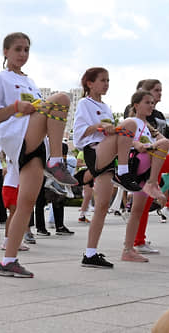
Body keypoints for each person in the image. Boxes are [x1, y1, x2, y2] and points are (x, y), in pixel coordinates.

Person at [0, 32, 71, 278]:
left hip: (34, 142)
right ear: (6, 52)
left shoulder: (30, 81)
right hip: (16, 134)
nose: (23, 54)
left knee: (27, 203)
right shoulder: (0, 78)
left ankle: (8, 260)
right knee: (62, 98)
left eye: (26, 50)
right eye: (18, 49)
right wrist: (15, 107)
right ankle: (56, 161)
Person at [72, 67, 136, 268]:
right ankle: (124, 173)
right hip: (94, 150)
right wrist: (101, 127)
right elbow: (79, 132)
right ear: (89, 83)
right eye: (102, 80)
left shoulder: (106, 106)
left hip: (107, 154)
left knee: (102, 206)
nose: (106, 84)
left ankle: (90, 253)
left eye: (108, 80)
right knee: (130, 124)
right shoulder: (84, 103)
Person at [120, 90, 169, 263]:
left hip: (145, 166)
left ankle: (128, 249)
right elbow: (120, 138)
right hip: (137, 163)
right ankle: (153, 183)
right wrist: (136, 143)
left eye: (152, 103)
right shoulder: (131, 121)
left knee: (137, 211)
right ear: (136, 105)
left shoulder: (147, 126)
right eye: (147, 102)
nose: (151, 106)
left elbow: (167, 143)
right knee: (163, 144)